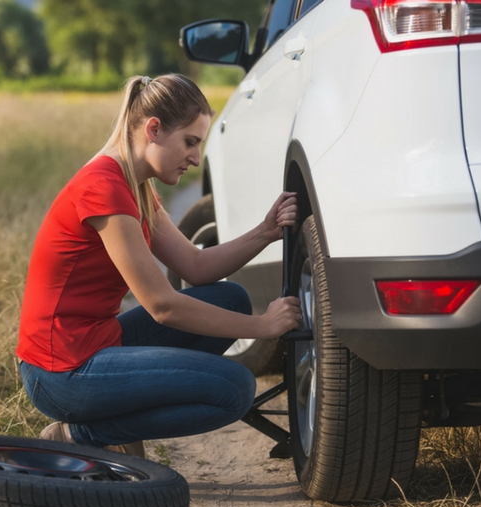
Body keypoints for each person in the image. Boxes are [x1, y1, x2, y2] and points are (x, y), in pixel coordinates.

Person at [17, 73, 300, 457]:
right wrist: (261, 327)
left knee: (230, 297)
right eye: (190, 142)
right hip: (60, 372)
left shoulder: (136, 186)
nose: (196, 158)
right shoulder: (103, 186)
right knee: (234, 388)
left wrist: (265, 232)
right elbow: (162, 305)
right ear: (153, 129)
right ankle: (83, 434)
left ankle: (114, 422)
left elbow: (196, 266)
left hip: (96, 344)